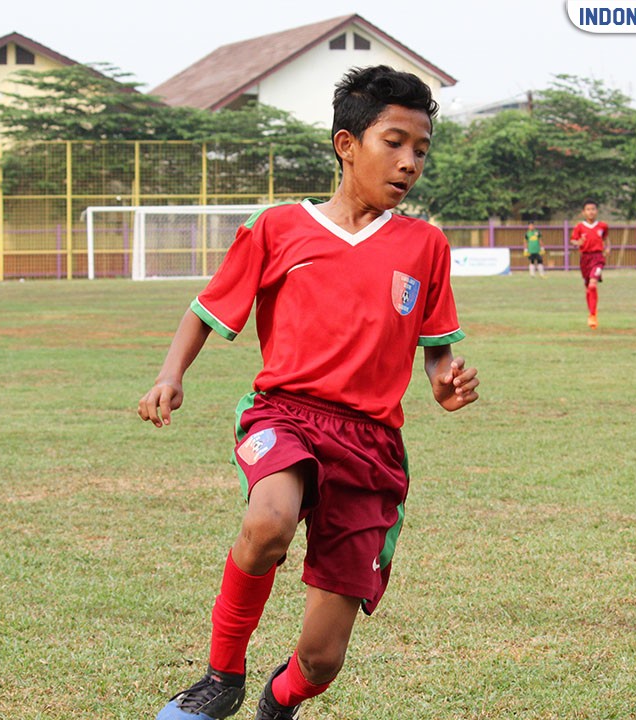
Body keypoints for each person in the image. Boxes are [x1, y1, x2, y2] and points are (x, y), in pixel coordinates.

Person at [138, 65, 480, 720]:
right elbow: (207, 310)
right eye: (394, 142)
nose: (410, 162)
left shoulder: (425, 245)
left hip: (372, 446)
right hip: (285, 415)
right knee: (266, 522)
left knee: (322, 660)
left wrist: (448, 380)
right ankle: (220, 677)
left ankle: (279, 699)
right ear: (346, 144)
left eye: (422, 150)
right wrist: (170, 374)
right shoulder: (277, 227)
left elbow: (436, 352)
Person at [570, 200, 609, 328]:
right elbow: (573, 241)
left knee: (593, 285)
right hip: (585, 259)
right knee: (588, 287)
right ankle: (592, 312)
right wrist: (578, 242)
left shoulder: (603, 226)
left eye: (593, 209)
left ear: (596, 211)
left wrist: (607, 248)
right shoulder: (579, 227)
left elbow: (605, 238)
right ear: (583, 212)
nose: (591, 212)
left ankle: (592, 315)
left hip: (598, 258)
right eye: (588, 209)